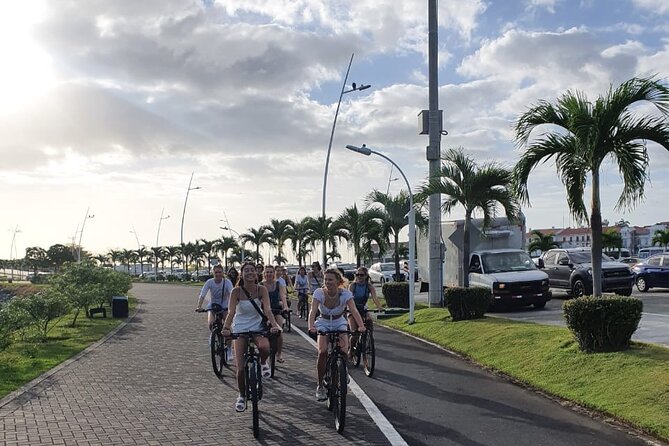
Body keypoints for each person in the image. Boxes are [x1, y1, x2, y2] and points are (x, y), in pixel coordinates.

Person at [222, 262, 281, 412]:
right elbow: (231, 312)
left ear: (256, 273)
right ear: (241, 274)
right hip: (240, 327)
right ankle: (241, 396)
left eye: (252, 270)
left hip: (257, 326)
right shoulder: (236, 291)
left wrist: (274, 325)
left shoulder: (262, 289)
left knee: (264, 347)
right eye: (246, 270)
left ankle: (262, 363)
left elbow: (267, 310)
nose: (249, 273)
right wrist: (226, 328)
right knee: (240, 369)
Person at [308, 268, 365, 401]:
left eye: (330, 279)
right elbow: (313, 310)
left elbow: (354, 310)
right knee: (322, 352)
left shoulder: (345, 294)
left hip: (339, 321)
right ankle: (320, 385)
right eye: (325, 279)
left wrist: (361, 326)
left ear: (338, 281)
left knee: (344, 350)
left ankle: (343, 370)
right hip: (323, 322)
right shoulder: (319, 293)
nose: (327, 282)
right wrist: (311, 326)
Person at [196, 264, 234, 362]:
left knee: (228, 327)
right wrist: (199, 306)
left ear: (223, 273)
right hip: (213, 306)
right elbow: (203, 294)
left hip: (225, 306)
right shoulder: (209, 282)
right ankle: (213, 335)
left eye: (219, 272)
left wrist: (232, 307)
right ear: (213, 273)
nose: (217, 274)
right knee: (211, 323)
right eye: (216, 272)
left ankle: (229, 350)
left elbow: (231, 294)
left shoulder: (227, 282)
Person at [348, 266, 383, 357]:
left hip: (363, 308)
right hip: (352, 310)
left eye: (362, 275)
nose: (359, 277)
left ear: (366, 276)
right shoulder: (352, 285)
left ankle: (367, 338)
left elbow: (375, 298)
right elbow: (349, 298)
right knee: (354, 332)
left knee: (369, 322)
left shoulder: (369, 286)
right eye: (357, 275)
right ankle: (351, 350)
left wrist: (379, 307)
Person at [261, 265, 289, 363]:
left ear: (274, 273)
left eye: (271, 272)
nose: (269, 274)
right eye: (267, 272)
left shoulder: (278, 284)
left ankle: (279, 354)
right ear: (264, 274)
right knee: (261, 333)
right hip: (263, 312)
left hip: (276, 310)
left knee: (279, 331)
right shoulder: (260, 285)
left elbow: (283, 296)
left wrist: (285, 306)